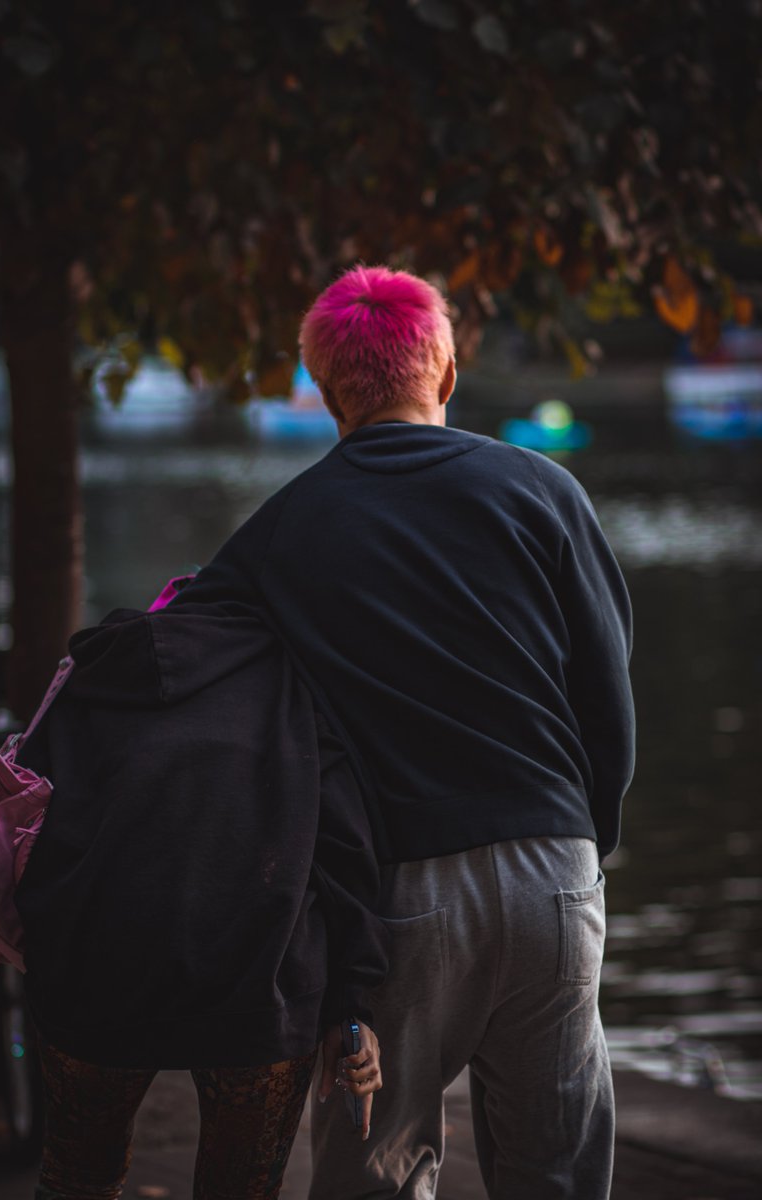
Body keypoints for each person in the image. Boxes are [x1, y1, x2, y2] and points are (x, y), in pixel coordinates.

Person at [170, 266, 635, 1199]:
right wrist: (586, 847)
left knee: (376, 1170)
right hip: (556, 867)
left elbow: (181, 658)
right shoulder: (544, 491)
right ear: (448, 373)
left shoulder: (281, 531)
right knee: (558, 1170)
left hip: (399, 899)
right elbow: (607, 697)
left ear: (326, 390)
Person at [14, 592, 387, 1200]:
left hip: (92, 978)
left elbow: (25, 820)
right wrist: (354, 1004)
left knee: (78, 1180)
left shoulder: (95, 673)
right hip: (260, 984)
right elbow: (345, 854)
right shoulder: (293, 681)